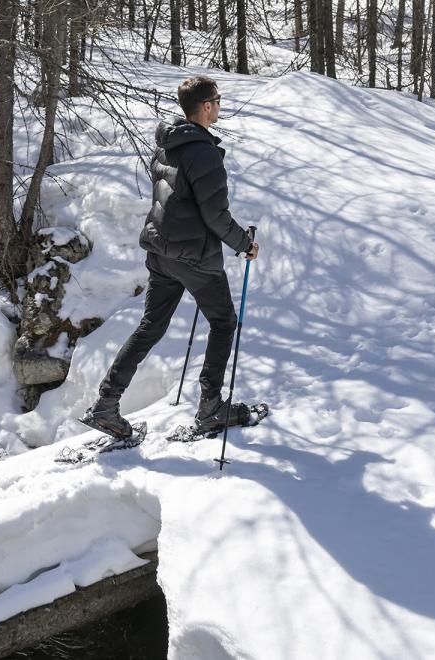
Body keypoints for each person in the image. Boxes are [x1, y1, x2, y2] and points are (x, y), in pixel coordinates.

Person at [80, 75, 259, 439]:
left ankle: (107, 404)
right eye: (218, 100)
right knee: (224, 323)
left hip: (161, 250)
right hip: (193, 255)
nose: (220, 106)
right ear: (207, 106)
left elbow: (173, 200)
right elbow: (215, 215)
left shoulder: (167, 145)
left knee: (152, 325)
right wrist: (244, 243)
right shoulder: (204, 152)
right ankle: (211, 408)